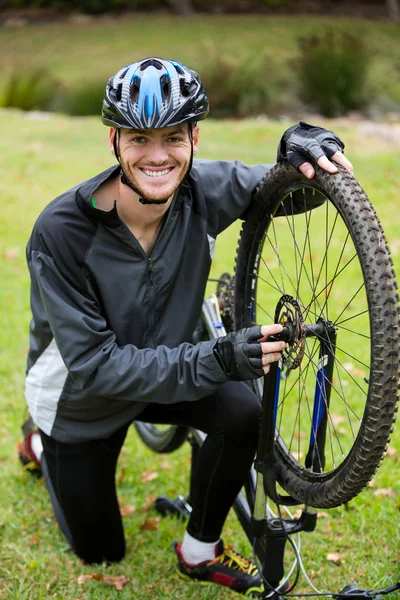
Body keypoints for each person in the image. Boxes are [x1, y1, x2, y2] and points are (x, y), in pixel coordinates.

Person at [18, 57, 353, 597]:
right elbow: (96, 367)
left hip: (165, 374)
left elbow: (296, 189)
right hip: (82, 399)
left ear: (194, 137)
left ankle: (200, 549)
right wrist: (218, 359)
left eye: (173, 137)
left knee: (240, 409)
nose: (157, 155)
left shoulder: (204, 190)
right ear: (114, 142)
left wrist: (304, 145)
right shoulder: (62, 232)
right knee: (101, 551)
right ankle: (37, 441)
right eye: (139, 139)